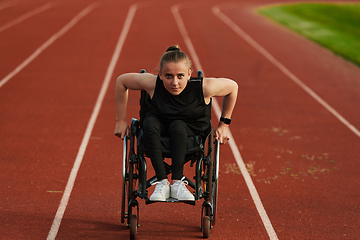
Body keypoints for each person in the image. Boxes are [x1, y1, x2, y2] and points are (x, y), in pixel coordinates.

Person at [114, 45, 238, 202]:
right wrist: (120, 121)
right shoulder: (153, 84)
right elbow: (121, 81)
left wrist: (224, 125)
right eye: (168, 76)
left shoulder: (203, 87)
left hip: (189, 130)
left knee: (178, 125)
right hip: (159, 127)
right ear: (160, 75)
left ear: (189, 75)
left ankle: (177, 183)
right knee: (149, 122)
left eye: (180, 76)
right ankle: (163, 183)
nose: (174, 82)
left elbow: (233, 87)